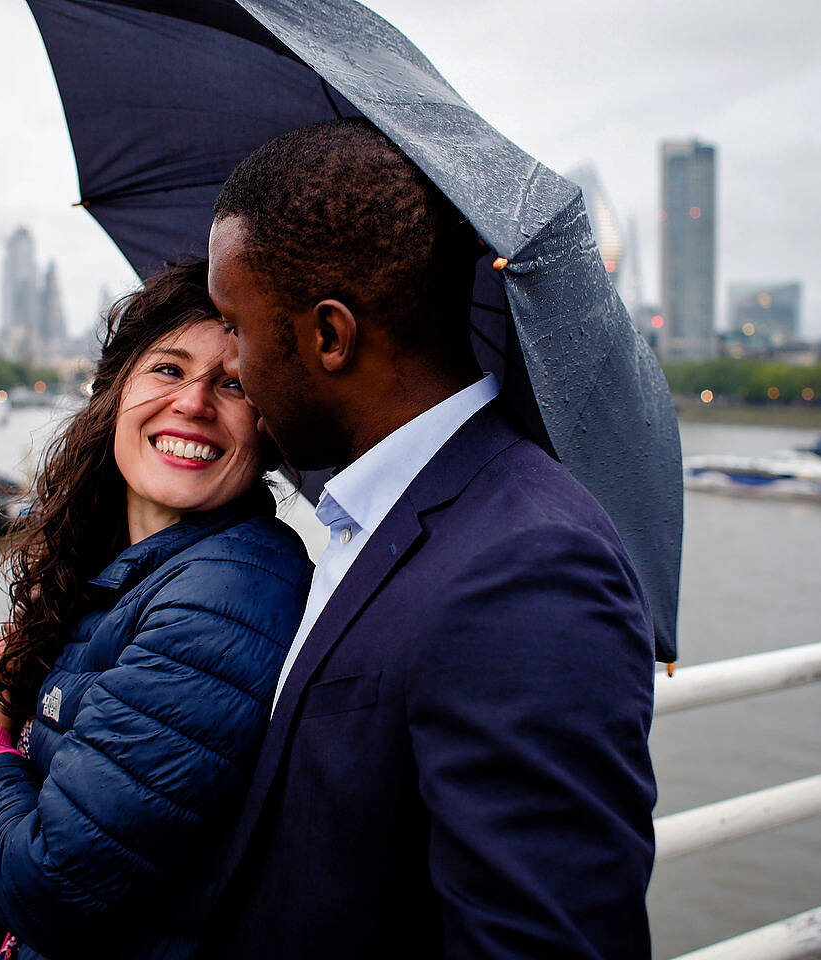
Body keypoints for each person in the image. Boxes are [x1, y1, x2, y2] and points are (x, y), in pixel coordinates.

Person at [199, 117, 658, 959]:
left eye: (234, 322)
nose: (228, 361)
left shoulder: (528, 569)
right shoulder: (369, 514)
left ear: (328, 337)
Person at [0, 260, 312, 960]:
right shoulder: (132, 571)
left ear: (270, 426)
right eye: (167, 369)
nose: (192, 403)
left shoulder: (226, 599)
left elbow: (55, 888)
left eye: (235, 383)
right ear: (116, 389)